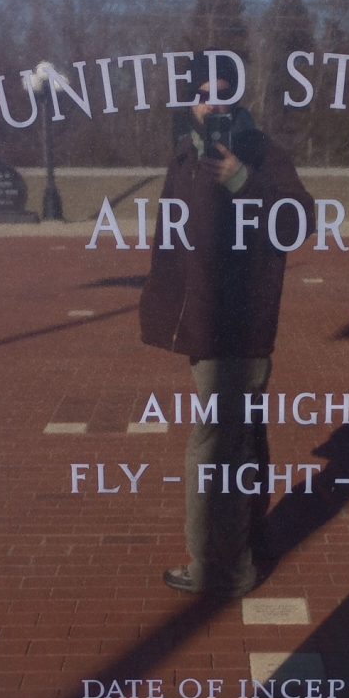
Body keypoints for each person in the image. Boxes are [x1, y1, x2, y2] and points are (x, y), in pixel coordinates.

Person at [139, 52, 314, 597]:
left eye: (222, 91)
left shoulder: (260, 152)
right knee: (241, 439)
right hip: (204, 325)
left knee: (214, 446)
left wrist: (243, 180)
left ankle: (221, 568)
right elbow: (174, 242)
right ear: (189, 100)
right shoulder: (184, 156)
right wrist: (165, 312)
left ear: (237, 97)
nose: (211, 101)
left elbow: (300, 220)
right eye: (201, 92)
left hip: (239, 326)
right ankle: (246, 547)